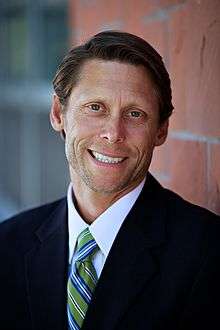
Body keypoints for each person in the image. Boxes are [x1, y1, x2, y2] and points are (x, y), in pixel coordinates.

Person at [0, 30, 219, 330]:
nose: (113, 133)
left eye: (135, 113)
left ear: (161, 130)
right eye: (95, 108)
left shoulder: (207, 252)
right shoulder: (8, 244)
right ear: (57, 113)